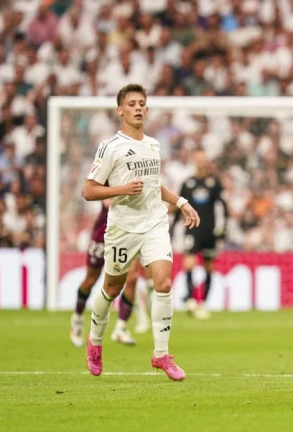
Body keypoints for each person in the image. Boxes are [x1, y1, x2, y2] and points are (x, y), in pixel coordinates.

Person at [82, 83, 200, 381]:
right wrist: (121, 188)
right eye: (132, 103)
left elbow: (152, 186)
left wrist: (181, 202)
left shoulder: (153, 144)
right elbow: (88, 190)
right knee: (112, 288)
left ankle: (161, 354)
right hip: (123, 228)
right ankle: (95, 342)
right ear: (120, 109)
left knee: (162, 282)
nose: (138, 107)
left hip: (154, 223)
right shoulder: (111, 147)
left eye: (142, 103)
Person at [70, 199, 150, 348]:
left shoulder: (137, 176)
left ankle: (120, 328)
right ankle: (77, 319)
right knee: (91, 279)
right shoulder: (110, 177)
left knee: (132, 277)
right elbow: (107, 201)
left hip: (128, 233)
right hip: (104, 233)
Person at [171, 149, 228, 320]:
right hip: (192, 230)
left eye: (204, 159)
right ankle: (190, 299)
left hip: (209, 232)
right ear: (194, 161)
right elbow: (178, 207)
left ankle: (202, 303)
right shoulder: (187, 183)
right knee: (189, 263)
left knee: (209, 267)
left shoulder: (214, 183)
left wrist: (223, 229)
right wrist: (172, 229)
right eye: (198, 159)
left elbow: (223, 207)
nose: (201, 162)